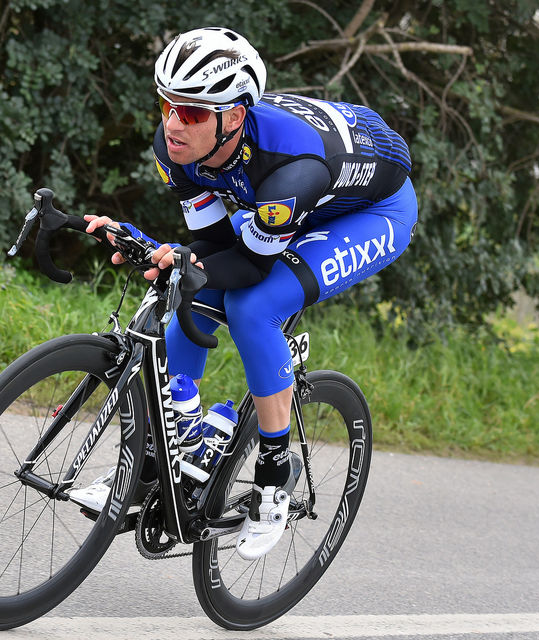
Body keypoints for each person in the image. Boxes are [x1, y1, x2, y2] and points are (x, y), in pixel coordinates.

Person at [74, 26, 417, 560]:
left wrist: (182, 258)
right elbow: (211, 242)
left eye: (190, 114)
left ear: (232, 116)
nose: (172, 124)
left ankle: (273, 478)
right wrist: (156, 248)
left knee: (252, 305)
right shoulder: (177, 148)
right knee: (191, 288)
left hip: (370, 210)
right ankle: (158, 458)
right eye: (167, 105)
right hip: (294, 202)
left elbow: (250, 266)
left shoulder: (290, 173)